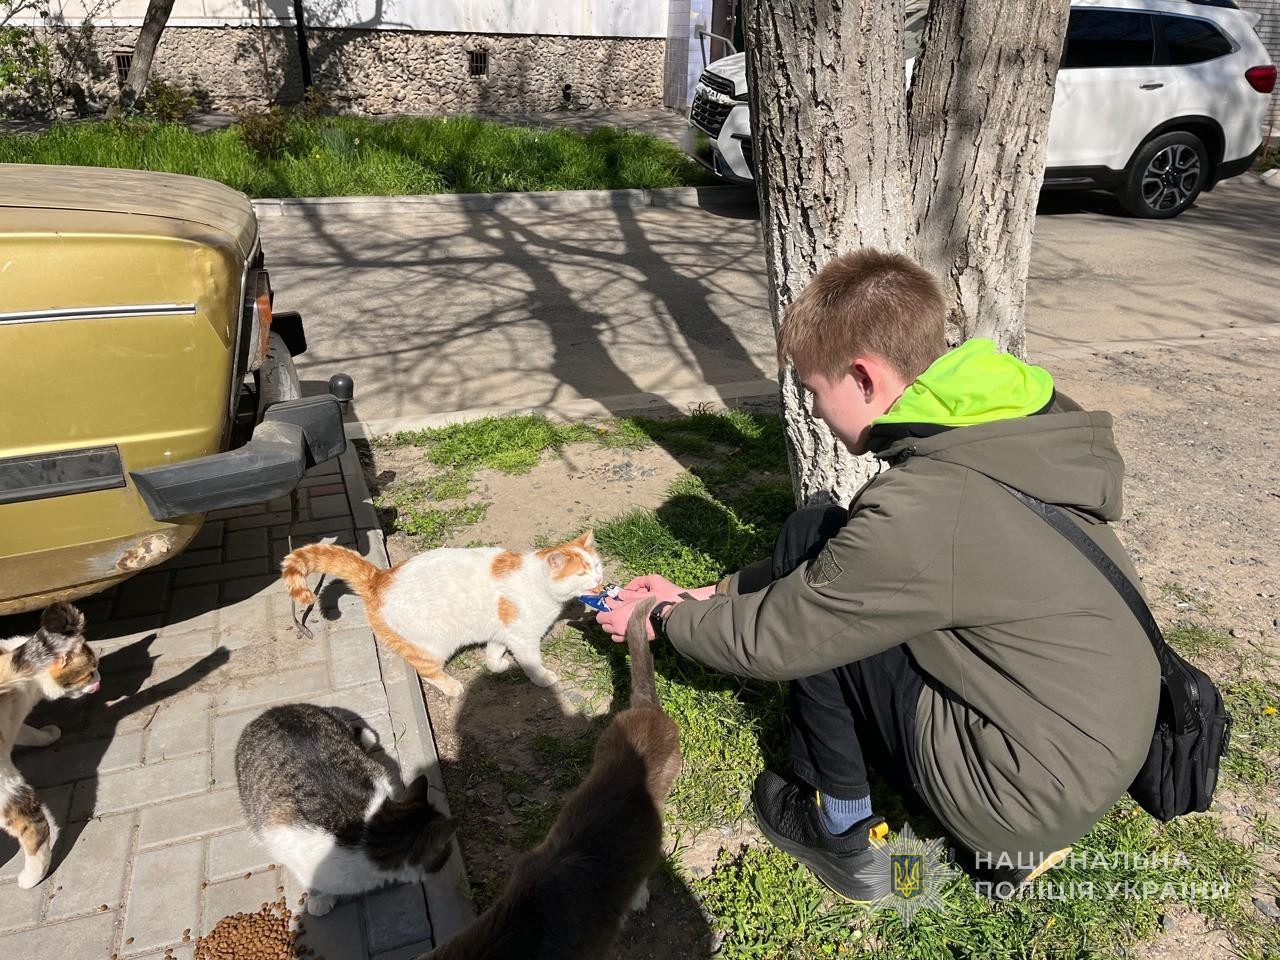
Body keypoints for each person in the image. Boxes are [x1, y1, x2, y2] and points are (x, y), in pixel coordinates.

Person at [595, 249, 1160, 901]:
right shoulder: (1009, 425)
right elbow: (845, 565)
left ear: (863, 378)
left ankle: (843, 836)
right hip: (1097, 740)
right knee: (815, 536)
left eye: (812, 391)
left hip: (1023, 798)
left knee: (819, 621)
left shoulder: (925, 509)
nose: (811, 411)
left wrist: (662, 618)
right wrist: (705, 595)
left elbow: (781, 638)